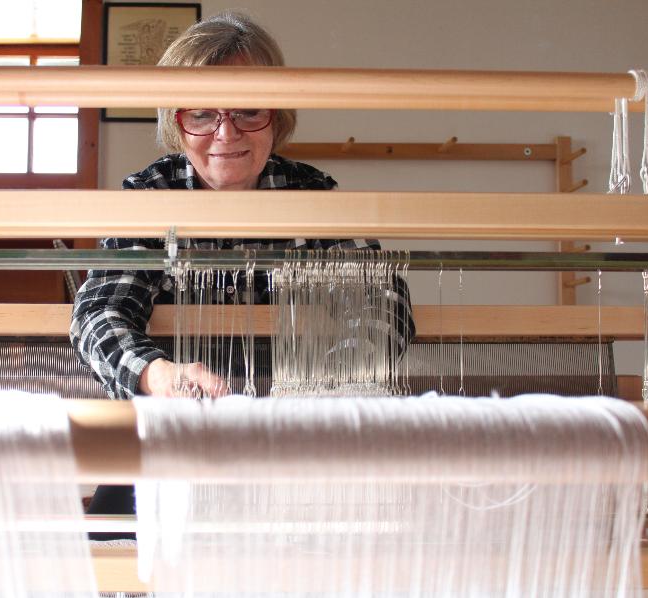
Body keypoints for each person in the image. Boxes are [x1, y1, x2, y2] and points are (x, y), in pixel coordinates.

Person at [70, 11, 414, 536]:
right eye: (203, 113)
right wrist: (160, 376)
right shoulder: (150, 197)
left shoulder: (313, 197)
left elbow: (384, 302)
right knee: (112, 556)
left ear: (276, 115)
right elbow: (100, 311)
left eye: (248, 110)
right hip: (171, 438)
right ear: (176, 120)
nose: (225, 132)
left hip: (294, 448)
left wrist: (322, 392)